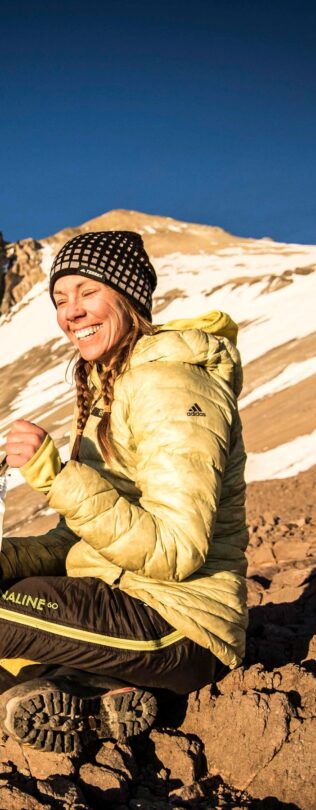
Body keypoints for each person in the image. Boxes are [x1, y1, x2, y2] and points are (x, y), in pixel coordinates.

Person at [0, 230, 248, 753]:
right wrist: (8, 559)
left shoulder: (169, 384)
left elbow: (176, 549)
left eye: (88, 292)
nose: (72, 312)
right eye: (61, 299)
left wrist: (56, 476)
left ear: (127, 295)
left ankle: (105, 684)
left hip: (181, 625)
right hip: (121, 601)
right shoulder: (109, 383)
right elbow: (80, 542)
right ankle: (99, 694)